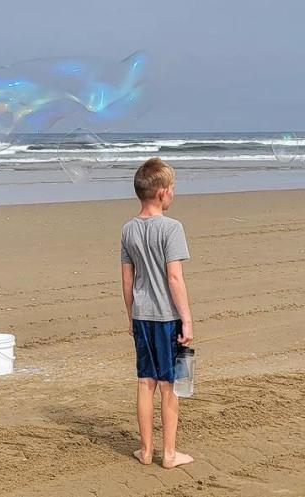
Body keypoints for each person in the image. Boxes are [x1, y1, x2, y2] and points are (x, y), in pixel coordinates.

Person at [120, 157, 195, 469]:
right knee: (170, 385)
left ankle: (147, 451)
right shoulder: (171, 228)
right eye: (173, 188)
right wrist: (187, 319)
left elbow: (127, 280)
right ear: (163, 193)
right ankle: (169, 454)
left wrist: (130, 315)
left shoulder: (128, 230)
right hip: (166, 317)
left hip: (141, 315)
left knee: (144, 382)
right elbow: (174, 278)